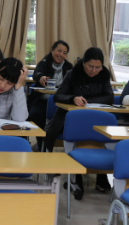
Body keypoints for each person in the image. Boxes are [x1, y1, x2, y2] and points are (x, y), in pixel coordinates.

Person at [44, 48, 114, 192]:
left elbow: (109, 97)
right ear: (83, 63)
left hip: (95, 118)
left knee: (101, 134)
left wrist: (87, 101)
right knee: (76, 132)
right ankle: (76, 177)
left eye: (98, 67)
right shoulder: (72, 74)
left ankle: (101, 177)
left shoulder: (104, 74)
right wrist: (73, 98)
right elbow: (58, 96)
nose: (94, 70)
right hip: (68, 117)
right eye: (90, 66)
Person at [27, 41, 72, 149]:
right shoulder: (44, 63)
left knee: (69, 117)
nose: (61, 54)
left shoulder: (69, 66)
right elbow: (36, 74)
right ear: (52, 50)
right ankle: (40, 142)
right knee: (35, 113)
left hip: (61, 102)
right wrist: (41, 77)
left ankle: (52, 142)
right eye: (59, 51)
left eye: (64, 53)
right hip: (43, 101)